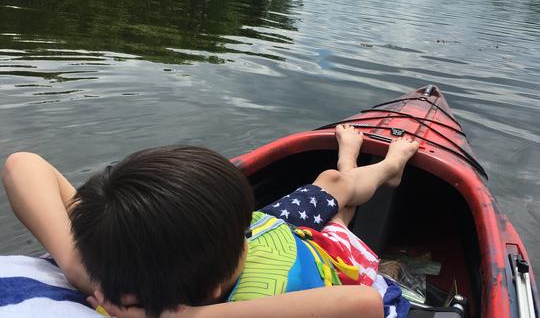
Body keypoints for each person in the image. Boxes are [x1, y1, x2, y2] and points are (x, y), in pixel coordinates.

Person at [1, 125, 418, 318]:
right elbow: (363, 305)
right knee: (337, 213)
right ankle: (383, 164)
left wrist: (78, 267)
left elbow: (22, 164)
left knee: (332, 184)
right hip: (314, 251)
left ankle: (381, 169)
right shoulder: (255, 308)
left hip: (272, 226)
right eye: (242, 235)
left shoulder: (113, 271)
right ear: (214, 291)